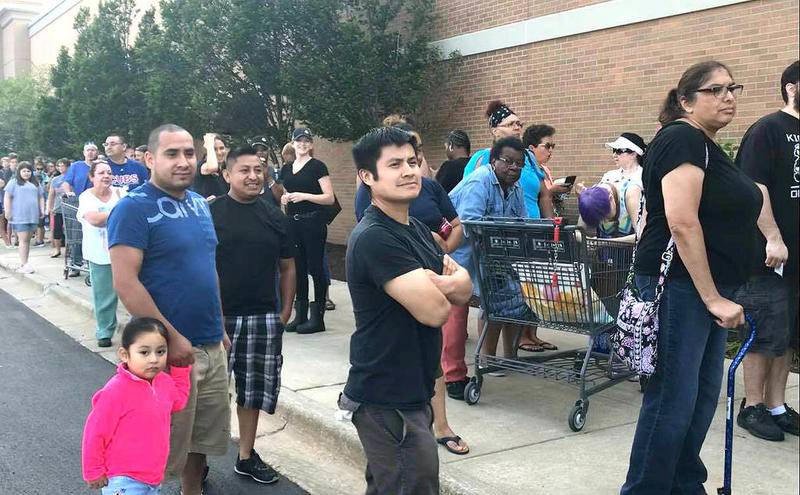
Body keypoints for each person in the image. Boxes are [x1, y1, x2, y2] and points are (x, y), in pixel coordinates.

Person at [621, 61, 761, 493]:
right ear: (685, 100)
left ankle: (683, 482)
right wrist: (713, 298)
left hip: (703, 289)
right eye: (714, 90)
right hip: (681, 288)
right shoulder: (681, 138)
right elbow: (682, 222)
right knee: (672, 400)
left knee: (700, 398)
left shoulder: (705, 144)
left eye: (732, 88)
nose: (728, 97)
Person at [339, 126, 472, 493]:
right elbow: (436, 311)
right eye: (394, 164)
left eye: (412, 162)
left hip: (413, 387)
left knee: (392, 484)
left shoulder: (414, 228)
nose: (409, 171)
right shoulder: (375, 237)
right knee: (411, 484)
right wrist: (449, 285)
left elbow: (464, 288)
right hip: (385, 393)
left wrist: (447, 284)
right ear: (368, 176)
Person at [108, 124, 231, 495]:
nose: (183, 162)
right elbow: (126, 283)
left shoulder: (197, 204)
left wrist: (221, 327)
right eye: (172, 154)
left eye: (189, 153)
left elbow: (208, 268)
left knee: (199, 441)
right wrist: (172, 340)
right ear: (149, 159)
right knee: (156, 449)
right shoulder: (132, 208)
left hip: (210, 345)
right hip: (164, 354)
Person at [210, 145, 296, 483]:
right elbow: (203, 269)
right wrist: (213, 319)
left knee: (254, 391)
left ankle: (246, 455)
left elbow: (288, 267)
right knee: (212, 394)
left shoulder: (275, 216)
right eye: (244, 170)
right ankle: (198, 462)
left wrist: (285, 310)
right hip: (219, 320)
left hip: (263, 317)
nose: (253, 176)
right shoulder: (212, 215)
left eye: (258, 169)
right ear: (227, 175)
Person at [734, 60, 800, 441]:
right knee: (765, 334)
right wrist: (773, 237)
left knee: (787, 334)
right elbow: (755, 187)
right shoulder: (768, 129)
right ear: (791, 87)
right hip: (768, 257)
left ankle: (777, 405)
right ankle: (753, 406)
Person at [448, 137, 531, 377]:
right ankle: (485, 360)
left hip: (495, 255)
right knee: (477, 307)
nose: (514, 167)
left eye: (519, 163)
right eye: (508, 161)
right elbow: (468, 224)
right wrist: (503, 234)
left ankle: (510, 358)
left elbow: (522, 222)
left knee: (512, 301)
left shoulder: (515, 188)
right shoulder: (480, 181)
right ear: (494, 161)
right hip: (463, 254)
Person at [82, 317, 191, 495]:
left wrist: (181, 370)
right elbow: (95, 432)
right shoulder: (116, 390)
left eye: (161, 352)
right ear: (125, 354)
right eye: (144, 352)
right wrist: (93, 470)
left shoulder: (164, 382)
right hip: (123, 478)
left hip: (153, 476)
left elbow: (178, 401)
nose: (154, 359)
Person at [280, 128, 335, 334]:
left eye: (306, 141)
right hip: (293, 222)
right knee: (298, 268)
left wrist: (304, 196)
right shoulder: (287, 168)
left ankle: (317, 316)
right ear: (292, 144)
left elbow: (329, 197)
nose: (302, 144)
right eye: (298, 141)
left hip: (313, 222)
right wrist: (285, 198)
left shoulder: (318, 166)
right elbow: (286, 192)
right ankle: (300, 314)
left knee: (315, 267)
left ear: (311, 145)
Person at [462, 100, 554, 220]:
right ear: (495, 131)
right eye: (511, 124)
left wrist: (552, 227)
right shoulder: (482, 158)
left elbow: (544, 195)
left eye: (518, 124)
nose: (517, 128)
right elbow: (469, 196)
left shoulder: (529, 157)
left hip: (530, 229)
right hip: (495, 230)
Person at [78, 160, 126, 347]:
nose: (106, 176)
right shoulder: (86, 197)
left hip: (123, 252)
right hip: (99, 253)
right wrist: (121, 211)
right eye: (101, 173)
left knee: (133, 291)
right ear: (92, 177)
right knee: (104, 295)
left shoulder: (121, 193)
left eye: (109, 172)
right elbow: (95, 219)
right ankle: (105, 331)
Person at [3, 162, 45, 274]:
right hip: (19, 216)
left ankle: (25, 263)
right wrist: (7, 211)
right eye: (24, 171)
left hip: (33, 216)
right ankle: (24, 263)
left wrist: (42, 209)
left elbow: (41, 197)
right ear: (19, 172)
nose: (26, 173)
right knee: (24, 240)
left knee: (27, 240)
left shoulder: (35, 183)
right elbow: (7, 197)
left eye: (28, 171)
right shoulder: (14, 182)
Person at [523, 124, 573, 216]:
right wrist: (551, 191)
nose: (550, 150)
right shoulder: (525, 171)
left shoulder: (545, 170)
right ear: (532, 148)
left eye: (552, 146)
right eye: (547, 146)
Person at [193, 133, 230, 200]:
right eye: (214, 149)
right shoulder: (202, 166)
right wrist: (209, 144)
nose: (219, 152)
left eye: (221, 148)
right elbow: (212, 167)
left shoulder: (225, 168)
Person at [47, 158, 71, 258]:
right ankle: (57, 250)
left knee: (70, 231)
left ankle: (69, 251)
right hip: (58, 208)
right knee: (57, 230)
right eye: (59, 166)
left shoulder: (71, 177)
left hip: (70, 208)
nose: (61, 168)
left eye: (63, 165)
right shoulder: (55, 180)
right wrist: (49, 206)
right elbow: (51, 194)